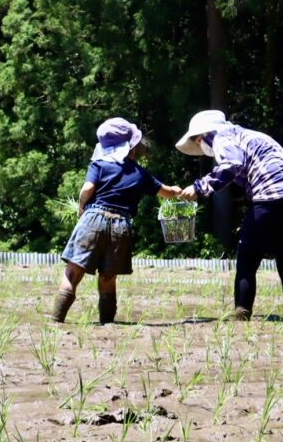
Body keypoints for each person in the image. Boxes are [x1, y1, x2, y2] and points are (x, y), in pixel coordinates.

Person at [175, 110, 283, 321]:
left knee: (247, 256)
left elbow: (232, 165)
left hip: (272, 195)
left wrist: (199, 187)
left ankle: (242, 313)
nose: (199, 145)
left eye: (197, 140)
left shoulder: (222, 137)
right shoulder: (251, 136)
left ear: (205, 134)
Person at [52, 118, 188, 324]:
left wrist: (81, 207)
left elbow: (87, 189)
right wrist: (178, 191)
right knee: (108, 277)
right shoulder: (140, 174)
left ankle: (56, 319)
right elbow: (166, 192)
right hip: (120, 225)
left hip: (93, 219)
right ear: (131, 149)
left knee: (73, 273)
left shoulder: (99, 164)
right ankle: (107, 324)